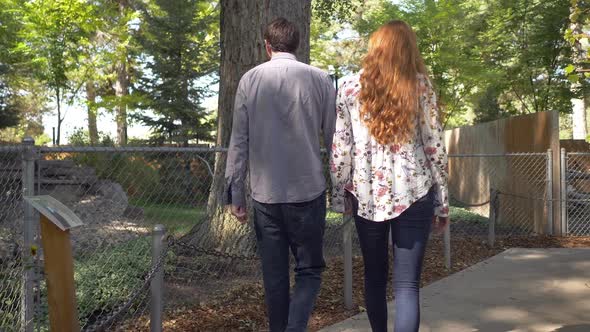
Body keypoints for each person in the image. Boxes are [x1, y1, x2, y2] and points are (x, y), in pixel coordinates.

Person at [329, 20, 450, 332]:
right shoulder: (421, 86)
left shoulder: (348, 87)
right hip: (415, 194)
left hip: (366, 196)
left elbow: (340, 149)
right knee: (407, 286)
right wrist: (443, 203)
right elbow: (435, 147)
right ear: (409, 49)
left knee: (374, 276)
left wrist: (338, 194)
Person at [225, 17, 336, 332]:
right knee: (310, 271)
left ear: (267, 45)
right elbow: (335, 140)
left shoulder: (250, 80)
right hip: (309, 192)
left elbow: (239, 140)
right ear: (297, 44)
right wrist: (343, 188)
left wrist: (235, 194)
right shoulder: (321, 79)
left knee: (274, 276)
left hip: (265, 196)